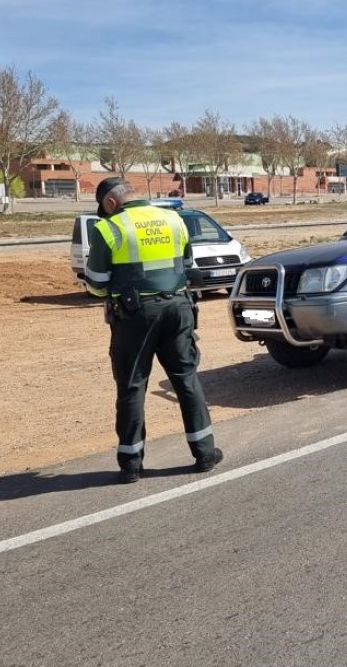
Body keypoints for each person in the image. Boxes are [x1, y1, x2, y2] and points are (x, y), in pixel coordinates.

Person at [85, 177, 222, 483]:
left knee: (132, 385)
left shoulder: (108, 228)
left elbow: (96, 286)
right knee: (186, 379)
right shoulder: (174, 220)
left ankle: (131, 463)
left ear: (110, 203)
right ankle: (205, 453)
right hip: (178, 307)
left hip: (135, 316)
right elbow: (187, 265)